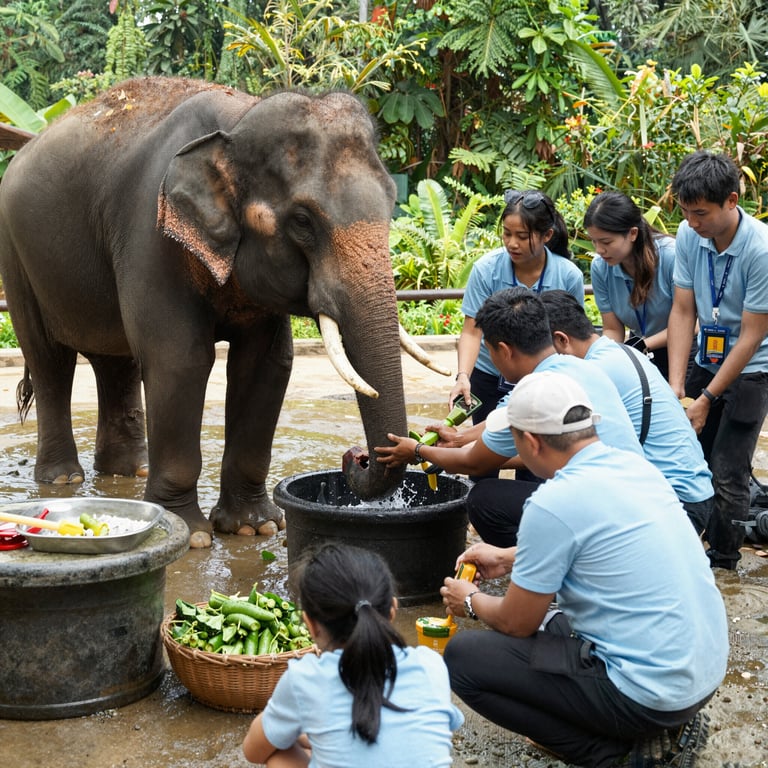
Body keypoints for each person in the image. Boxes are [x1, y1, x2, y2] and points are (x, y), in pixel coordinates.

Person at [441, 370, 728, 768]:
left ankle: (618, 756)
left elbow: (514, 623)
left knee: (464, 658)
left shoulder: (551, 502)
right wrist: (509, 557)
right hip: (702, 673)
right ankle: (662, 730)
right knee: (555, 624)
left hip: (650, 695)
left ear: (532, 442)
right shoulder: (633, 467)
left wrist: (469, 600)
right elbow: (600, 544)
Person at [376, 287, 642, 547]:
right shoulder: (581, 368)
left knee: (484, 499)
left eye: (489, 350)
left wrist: (418, 451)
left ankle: (546, 562)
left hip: (601, 514)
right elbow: (500, 422)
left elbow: (473, 464)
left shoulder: (534, 392)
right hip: (635, 500)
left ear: (503, 350)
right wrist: (458, 439)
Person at [241, 542, 463, 768]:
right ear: (392, 611)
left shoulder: (304, 679)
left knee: (276, 753)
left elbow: (253, 751)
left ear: (310, 625)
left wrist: (294, 727)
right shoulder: (431, 665)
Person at [541, 289, 714, 535]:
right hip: (697, 493)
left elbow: (559, 449)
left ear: (561, 340)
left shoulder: (593, 373)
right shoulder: (623, 351)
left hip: (673, 503)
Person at [667, 150, 768, 570]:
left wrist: (706, 398)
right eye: (687, 212)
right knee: (685, 457)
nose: (692, 223)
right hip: (705, 357)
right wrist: (677, 385)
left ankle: (723, 561)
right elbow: (682, 310)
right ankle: (682, 543)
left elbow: (752, 335)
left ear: (731, 199)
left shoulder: (760, 250)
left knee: (729, 472)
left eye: (701, 213)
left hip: (753, 368)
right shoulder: (690, 235)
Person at [451, 190, 585, 433]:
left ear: (548, 235)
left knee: (536, 454)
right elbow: (472, 332)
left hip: (543, 379)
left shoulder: (568, 275)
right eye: (507, 233)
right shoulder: (485, 270)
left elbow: (572, 336)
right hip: (490, 375)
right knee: (483, 449)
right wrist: (463, 376)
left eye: (522, 236)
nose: (512, 243)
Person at [586, 191, 686, 380]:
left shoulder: (670, 256)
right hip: (640, 351)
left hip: (683, 348)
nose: (599, 250)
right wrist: (605, 358)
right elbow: (613, 329)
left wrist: (643, 344)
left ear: (632, 233)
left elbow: (693, 321)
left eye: (606, 242)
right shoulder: (601, 267)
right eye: (594, 241)